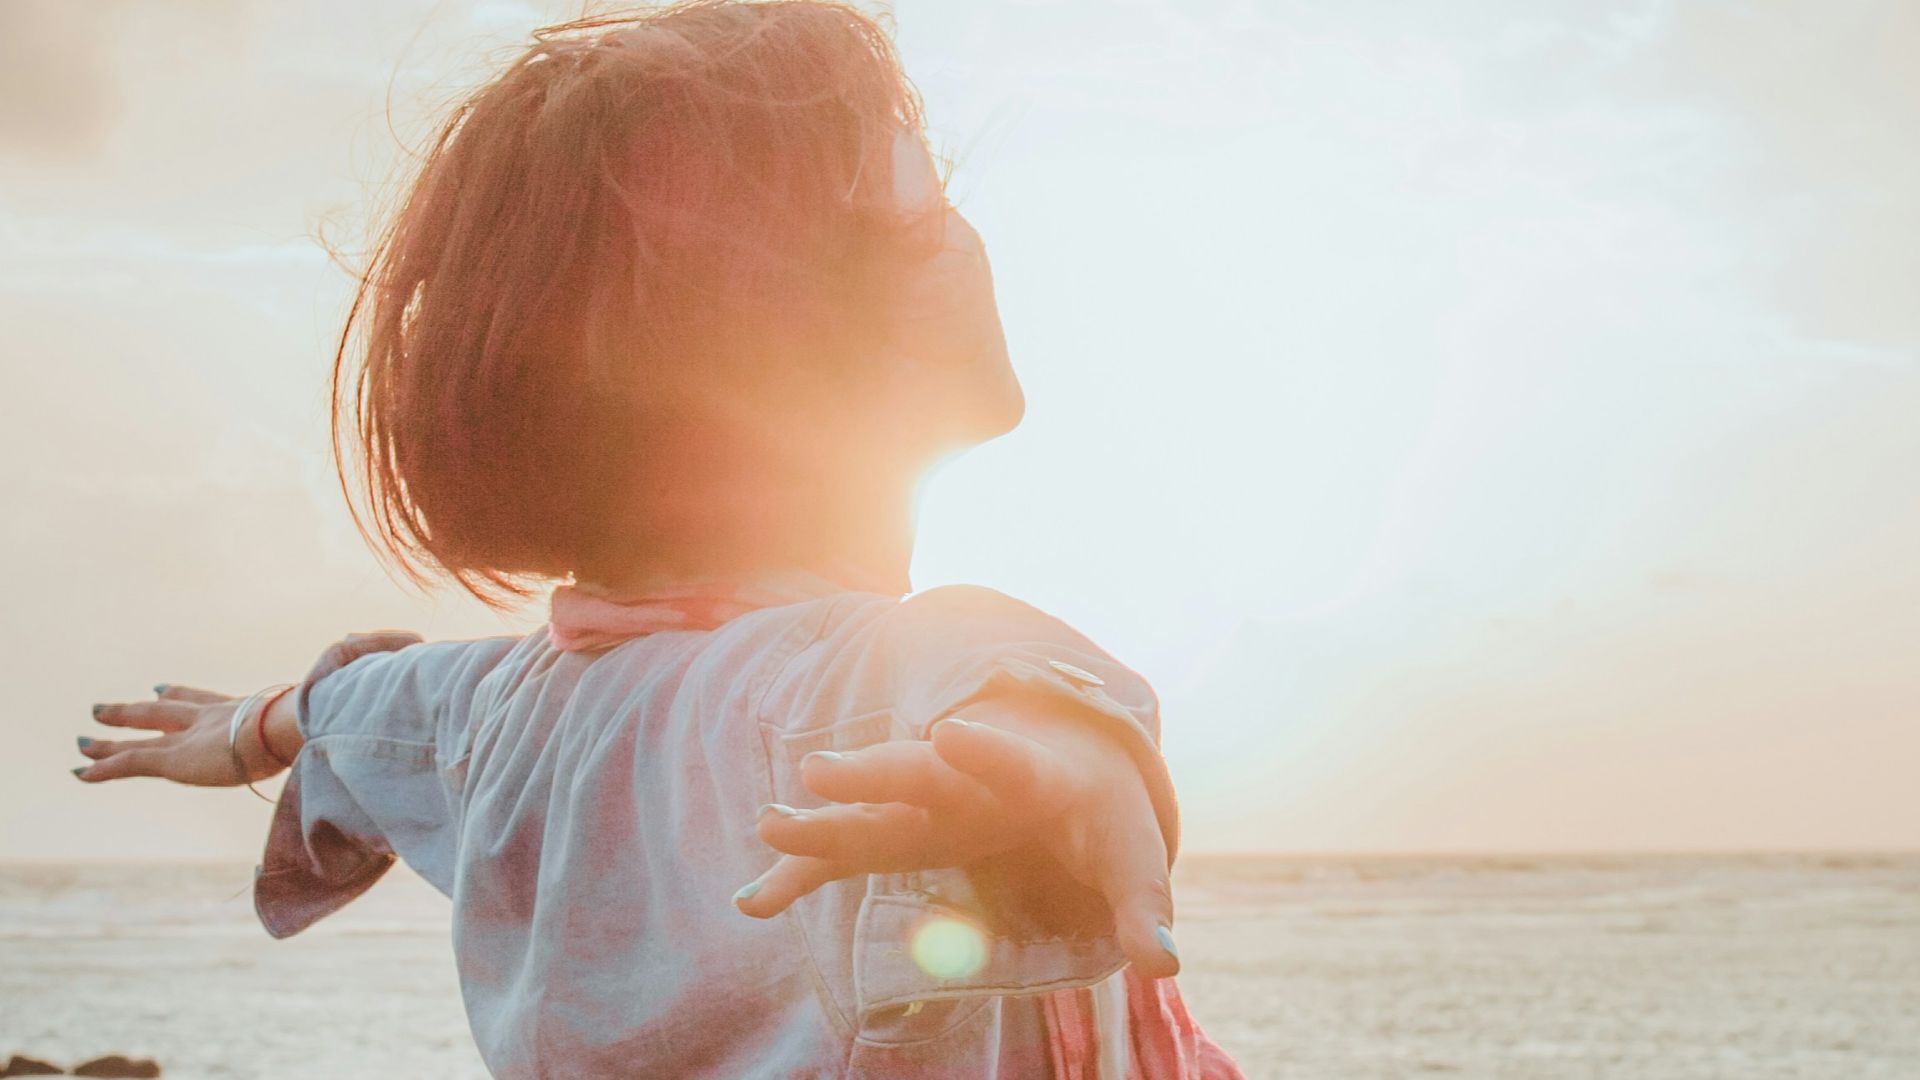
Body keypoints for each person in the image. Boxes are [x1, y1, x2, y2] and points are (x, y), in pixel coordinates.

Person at [73, 3, 1243, 1076]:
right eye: (918, 204)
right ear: (772, 334)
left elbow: (362, 709)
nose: (960, 231)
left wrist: (248, 728)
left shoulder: (497, 707)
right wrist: (1061, 758)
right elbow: (986, 675)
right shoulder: (839, 686)